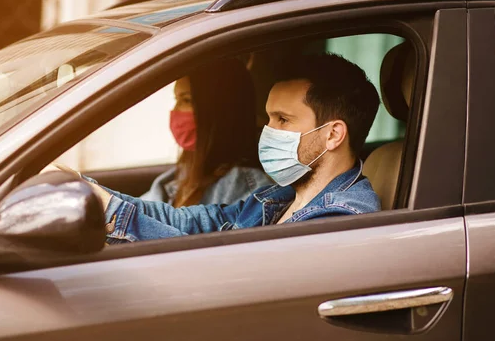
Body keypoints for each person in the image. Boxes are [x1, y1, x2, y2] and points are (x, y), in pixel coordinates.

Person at [73, 53, 382, 243]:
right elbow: (190, 222)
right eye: (269, 117)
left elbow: (226, 275)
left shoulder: (338, 220)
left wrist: (117, 214)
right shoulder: (280, 197)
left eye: (284, 120)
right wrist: (98, 196)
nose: (268, 131)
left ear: (333, 135)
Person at [140, 58, 272, 206]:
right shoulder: (182, 175)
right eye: (177, 99)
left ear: (219, 110)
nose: (175, 111)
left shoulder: (247, 189)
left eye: (186, 100)